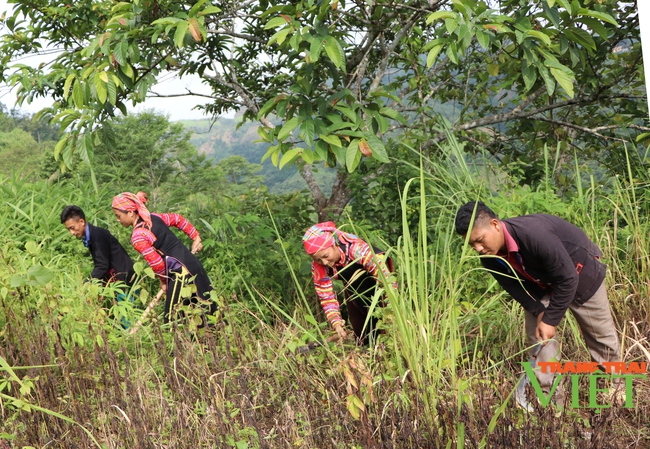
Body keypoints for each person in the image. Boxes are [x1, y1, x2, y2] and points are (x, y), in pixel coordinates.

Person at [454, 201, 622, 403]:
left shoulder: (534, 235)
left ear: (495, 224)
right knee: (539, 340)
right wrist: (539, 310)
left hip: (579, 273)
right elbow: (516, 289)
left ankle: (616, 393)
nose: (478, 248)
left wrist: (550, 320)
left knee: (601, 337)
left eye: (479, 240)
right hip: (541, 285)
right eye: (472, 245)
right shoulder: (489, 258)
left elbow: (568, 278)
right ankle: (550, 403)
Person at [112, 192, 215, 324]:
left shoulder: (138, 236)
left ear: (131, 212)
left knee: (173, 320)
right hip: (193, 264)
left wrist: (163, 281)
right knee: (208, 309)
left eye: (119, 216)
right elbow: (178, 219)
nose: (118, 220)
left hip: (179, 275)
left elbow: (158, 264)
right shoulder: (155, 218)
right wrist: (195, 236)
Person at [303, 222, 396, 346]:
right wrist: (336, 324)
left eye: (326, 256)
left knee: (388, 329)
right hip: (354, 288)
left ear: (334, 244)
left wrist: (391, 309)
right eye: (317, 259)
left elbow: (387, 281)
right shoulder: (318, 266)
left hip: (380, 285)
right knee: (362, 335)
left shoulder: (357, 249)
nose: (324, 262)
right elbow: (326, 297)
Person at [61, 205, 135, 286]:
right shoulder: (89, 236)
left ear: (81, 221)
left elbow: (102, 265)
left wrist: (86, 284)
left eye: (72, 228)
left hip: (125, 280)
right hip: (117, 278)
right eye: (69, 229)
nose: (72, 233)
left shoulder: (98, 236)